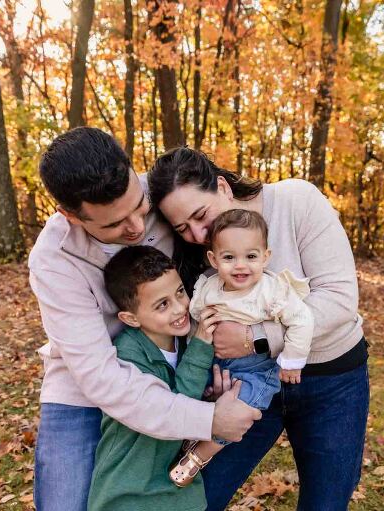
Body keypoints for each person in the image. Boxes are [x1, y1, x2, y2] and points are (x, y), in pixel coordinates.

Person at [28, 127, 260, 511]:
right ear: (69, 215)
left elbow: (232, 225)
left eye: (139, 208)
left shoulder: (164, 196)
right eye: (114, 225)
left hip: (170, 368)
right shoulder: (53, 260)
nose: (136, 228)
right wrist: (207, 419)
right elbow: (101, 379)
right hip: (85, 388)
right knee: (64, 503)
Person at [149, 147, 369, 511]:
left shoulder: (295, 202)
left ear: (222, 186)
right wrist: (212, 374)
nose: (199, 233)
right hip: (245, 385)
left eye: (200, 215)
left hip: (331, 381)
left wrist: (256, 339)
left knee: (326, 503)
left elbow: (340, 299)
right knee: (200, 498)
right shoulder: (199, 256)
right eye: (183, 228)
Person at [169, 209, 313, 488]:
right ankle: (188, 435)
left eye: (251, 256)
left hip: (256, 369)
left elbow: (302, 319)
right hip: (215, 363)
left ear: (265, 257)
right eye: (229, 257)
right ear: (213, 259)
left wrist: (292, 361)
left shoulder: (271, 290)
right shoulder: (208, 288)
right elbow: (196, 323)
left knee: (241, 407)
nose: (240, 266)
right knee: (196, 397)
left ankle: (199, 455)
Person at [87, 245, 220, 511]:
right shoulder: (127, 357)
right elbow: (175, 407)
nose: (179, 308)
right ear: (130, 318)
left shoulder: (182, 341)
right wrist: (202, 346)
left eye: (180, 292)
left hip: (179, 491)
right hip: (128, 493)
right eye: (162, 305)